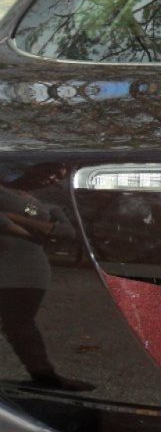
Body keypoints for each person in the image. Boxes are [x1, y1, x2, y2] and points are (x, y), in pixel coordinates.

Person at [0, 164, 93, 391]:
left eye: (58, 178)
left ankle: (44, 375)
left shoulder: (45, 205)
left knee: (19, 324)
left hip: (30, 272)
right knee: (17, 325)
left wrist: (16, 219)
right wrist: (41, 232)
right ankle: (43, 375)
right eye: (52, 172)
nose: (52, 180)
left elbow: (67, 232)